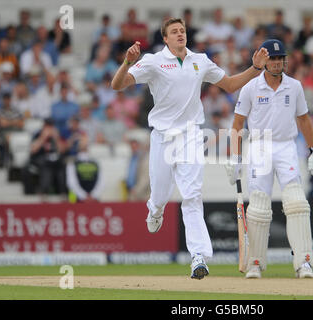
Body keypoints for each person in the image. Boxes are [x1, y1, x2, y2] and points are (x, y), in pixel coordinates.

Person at [111, 17, 269, 279]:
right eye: (174, 32)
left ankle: (198, 257)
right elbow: (117, 85)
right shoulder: (153, 61)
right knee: (160, 196)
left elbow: (229, 84)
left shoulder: (200, 60)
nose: (180, 34)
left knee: (192, 195)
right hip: (162, 137)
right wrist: (127, 61)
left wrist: (255, 68)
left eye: (182, 31)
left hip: (191, 136)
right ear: (165, 38)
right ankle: (155, 210)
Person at [225, 39, 313, 279]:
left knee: (298, 204)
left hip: (286, 146)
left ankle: (304, 263)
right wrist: (235, 157)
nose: (278, 63)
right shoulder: (250, 87)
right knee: (259, 206)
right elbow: (238, 123)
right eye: (273, 58)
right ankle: (256, 264)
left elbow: (303, 119)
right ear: (265, 60)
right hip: (259, 146)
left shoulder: (295, 86)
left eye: (281, 58)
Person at [66, 136, 104, 203]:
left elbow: (101, 181)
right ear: (78, 146)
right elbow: (71, 182)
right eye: (82, 143)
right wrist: (83, 196)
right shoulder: (72, 163)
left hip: (94, 199)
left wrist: (93, 195)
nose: (84, 145)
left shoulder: (95, 162)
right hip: (78, 200)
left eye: (85, 144)